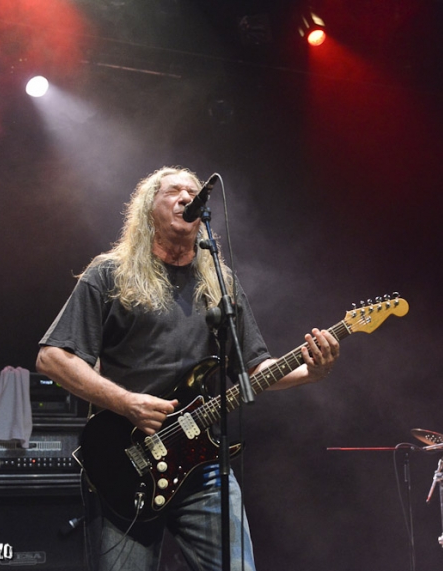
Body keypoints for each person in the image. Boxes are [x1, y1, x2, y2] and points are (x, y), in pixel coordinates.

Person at [36, 166, 340, 571]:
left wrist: (310, 373)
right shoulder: (109, 274)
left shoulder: (220, 284)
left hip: (201, 463)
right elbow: (52, 357)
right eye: (173, 191)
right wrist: (127, 403)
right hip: (125, 462)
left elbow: (255, 368)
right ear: (149, 209)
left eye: (193, 193)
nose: (186, 197)